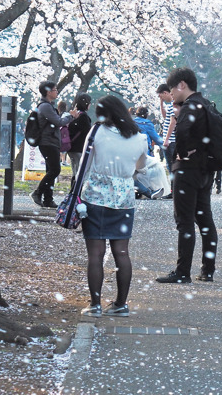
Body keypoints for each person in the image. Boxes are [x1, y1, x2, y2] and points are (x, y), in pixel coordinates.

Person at [77, 95, 148, 317]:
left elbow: (84, 165)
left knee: (96, 254)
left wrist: (76, 194)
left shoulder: (97, 132)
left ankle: (95, 304)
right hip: (124, 199)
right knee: (122, 252)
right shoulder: (139, 137)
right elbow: (141, 166)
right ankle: (121, 304)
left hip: (96, 196)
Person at [156, 67, 218, 284]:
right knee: (205, 219)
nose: (171, 94)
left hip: (187, 170)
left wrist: (181, 152)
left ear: (182, 85)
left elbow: (181, 134)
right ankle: (207, 270)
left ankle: (183, 272)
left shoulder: (190, 107)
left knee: (185, 221)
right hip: (206, 170)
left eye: (172, 90)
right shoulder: (206, 104)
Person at [31, 80, 77, 208]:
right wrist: (71, 117)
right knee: (55, 170)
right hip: (48, 142)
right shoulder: (45, 106)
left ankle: (48, 199)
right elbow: (58, 122)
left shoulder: (47, 105)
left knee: (50, 170)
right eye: (55, 90)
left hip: (50, 141)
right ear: (48, 92)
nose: (57, 92)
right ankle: (37, 193)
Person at [67, 93, 93, 180]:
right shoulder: (84, 117)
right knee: (79, 173)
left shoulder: (74, 114)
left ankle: (73, 191)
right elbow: (88, 133)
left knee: (75, 171)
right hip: (79, 147)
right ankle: (75, 192)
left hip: (71, 146)